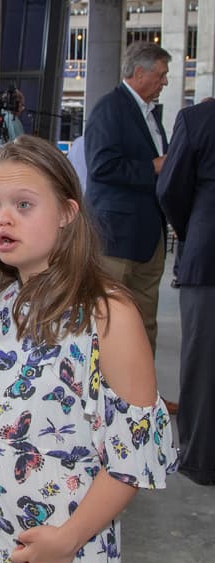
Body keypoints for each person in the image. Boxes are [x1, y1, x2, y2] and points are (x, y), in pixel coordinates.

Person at [0, 135, 177, 563]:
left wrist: (68, 538)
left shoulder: (107, 314)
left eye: (25, 205)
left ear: (68, 213)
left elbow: (132, 457)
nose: (2, 220)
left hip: (66, 540)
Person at [84, 41, 170, 359]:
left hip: (148, 235)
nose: (165, 82)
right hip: (116, 239)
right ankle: (108, 401)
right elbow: (101, 166)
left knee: (145, 320)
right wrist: (154, 166)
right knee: (108, 321)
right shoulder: (109, 109)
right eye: (161, 75)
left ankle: (145, 399)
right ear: (139, 73)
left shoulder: (148, 113)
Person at [157, 98, 215, 485]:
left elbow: (170, 188)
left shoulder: (198, 119)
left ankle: (200, 459)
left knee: (204, 364)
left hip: (207, 255)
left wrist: (192, 226)